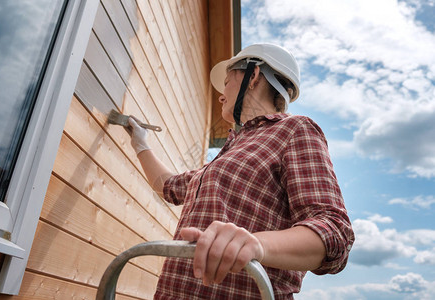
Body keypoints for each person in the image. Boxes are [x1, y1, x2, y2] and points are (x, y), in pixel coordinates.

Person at [128, 43, 355, 299]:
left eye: (226, 82)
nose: (221, 95)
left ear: (253, 75)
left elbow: (333, 231)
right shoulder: (230, 152)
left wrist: (256, 244)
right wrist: (139, 142)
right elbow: (167, 186)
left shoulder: (294, 129)